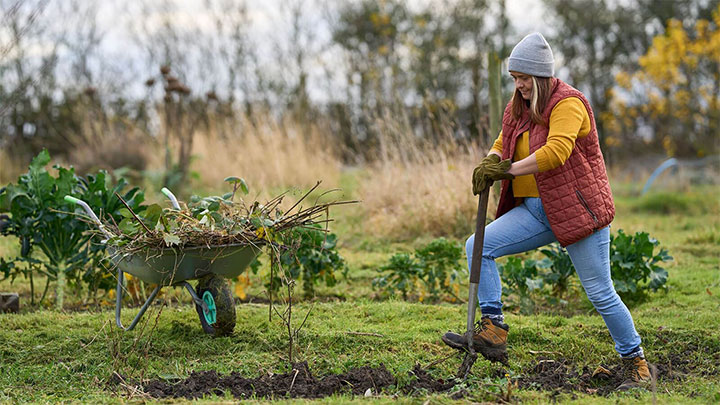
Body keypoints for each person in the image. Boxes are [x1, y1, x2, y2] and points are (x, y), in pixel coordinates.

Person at [441, 33, 652, 391]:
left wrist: (506, 170)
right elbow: (502, 141)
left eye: (523, 77)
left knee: (601, 292)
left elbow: (556, 152)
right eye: (514, 78)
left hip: (578, 212)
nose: (518, 84)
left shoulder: (569, 104)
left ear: (540, 75)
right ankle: (493, 328)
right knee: (477, 246)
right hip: (537, 212)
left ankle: (637, 363)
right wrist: (490, 161)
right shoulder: (518, 107)